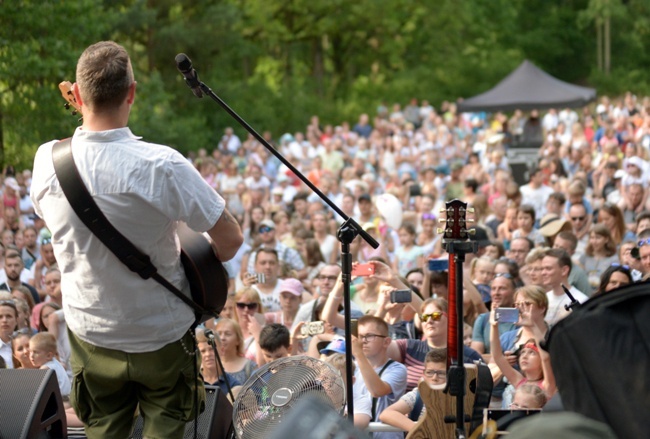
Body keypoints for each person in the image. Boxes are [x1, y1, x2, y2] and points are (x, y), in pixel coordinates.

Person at [30, 41, 243, 439]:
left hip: (91, 332)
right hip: (161, 333)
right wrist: (195, 257)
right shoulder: (163, 165)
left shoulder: (47, 161)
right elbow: (230, 240)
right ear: (132, 92)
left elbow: (55, 220)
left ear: (75, 95)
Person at [351, 315, 407, 439]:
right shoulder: (351, 367)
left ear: (386, 342)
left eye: (369, 336)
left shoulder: (397, 369)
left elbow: (377, 391)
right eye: (360, 337)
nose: (363, 341)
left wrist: (358, 354)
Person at [379, 348, 447, 432]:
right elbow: (386, 414)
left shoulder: (460, 399)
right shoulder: (417, 396)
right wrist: (420, 431)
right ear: (423, 373)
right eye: (430, 372)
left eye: (441, 373)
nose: (434, 378)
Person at [541, 249, 589, 326]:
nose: (543, 273)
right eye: (542, 269)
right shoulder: (544, 298)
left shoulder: (581, 300)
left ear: (564, 270)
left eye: (548, 268)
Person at [29, 332, 71, 397]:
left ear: (48, 355)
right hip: (68, 397)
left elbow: (36, 389)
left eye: (36, 352)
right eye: (30, 351)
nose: (31, 356)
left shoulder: (45, 368)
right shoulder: (56, 363)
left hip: (61, 400)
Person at [0, 299, 18, 368]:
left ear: (16, 320)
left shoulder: (26, 344)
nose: (4, 320)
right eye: (0, 317)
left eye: (9, 316)